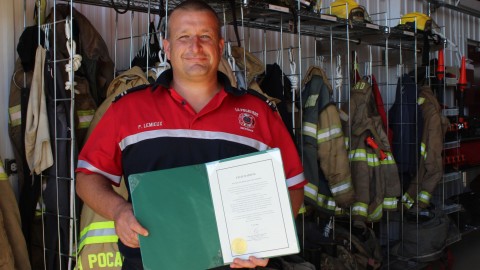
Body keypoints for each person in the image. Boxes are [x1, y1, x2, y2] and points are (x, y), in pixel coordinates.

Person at [75, 0, 307, 269]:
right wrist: (119, 212)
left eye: (205, 37)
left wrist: (268, 240)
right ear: (167, 48)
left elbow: (292, 185)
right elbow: (87, 178)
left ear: (220, 47)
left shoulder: (259, 112)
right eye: (184, 37)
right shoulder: (127, 109)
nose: (195, 47)